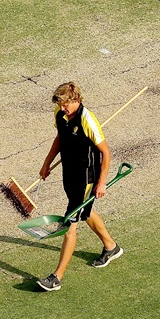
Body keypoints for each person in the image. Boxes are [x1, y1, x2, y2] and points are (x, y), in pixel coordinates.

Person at [36, 81, 123, 292]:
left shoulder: (88, 121)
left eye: (66, 104)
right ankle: (111, 247)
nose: (62, 108)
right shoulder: (60, 113)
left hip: (86, 178)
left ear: (76, 100)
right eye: (60, 104)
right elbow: (60, 137)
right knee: (86, 212)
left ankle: (56, 277)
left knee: (70, 224)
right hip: (69, 174)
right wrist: (47, 162)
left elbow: (106, 153)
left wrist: (101, 182)